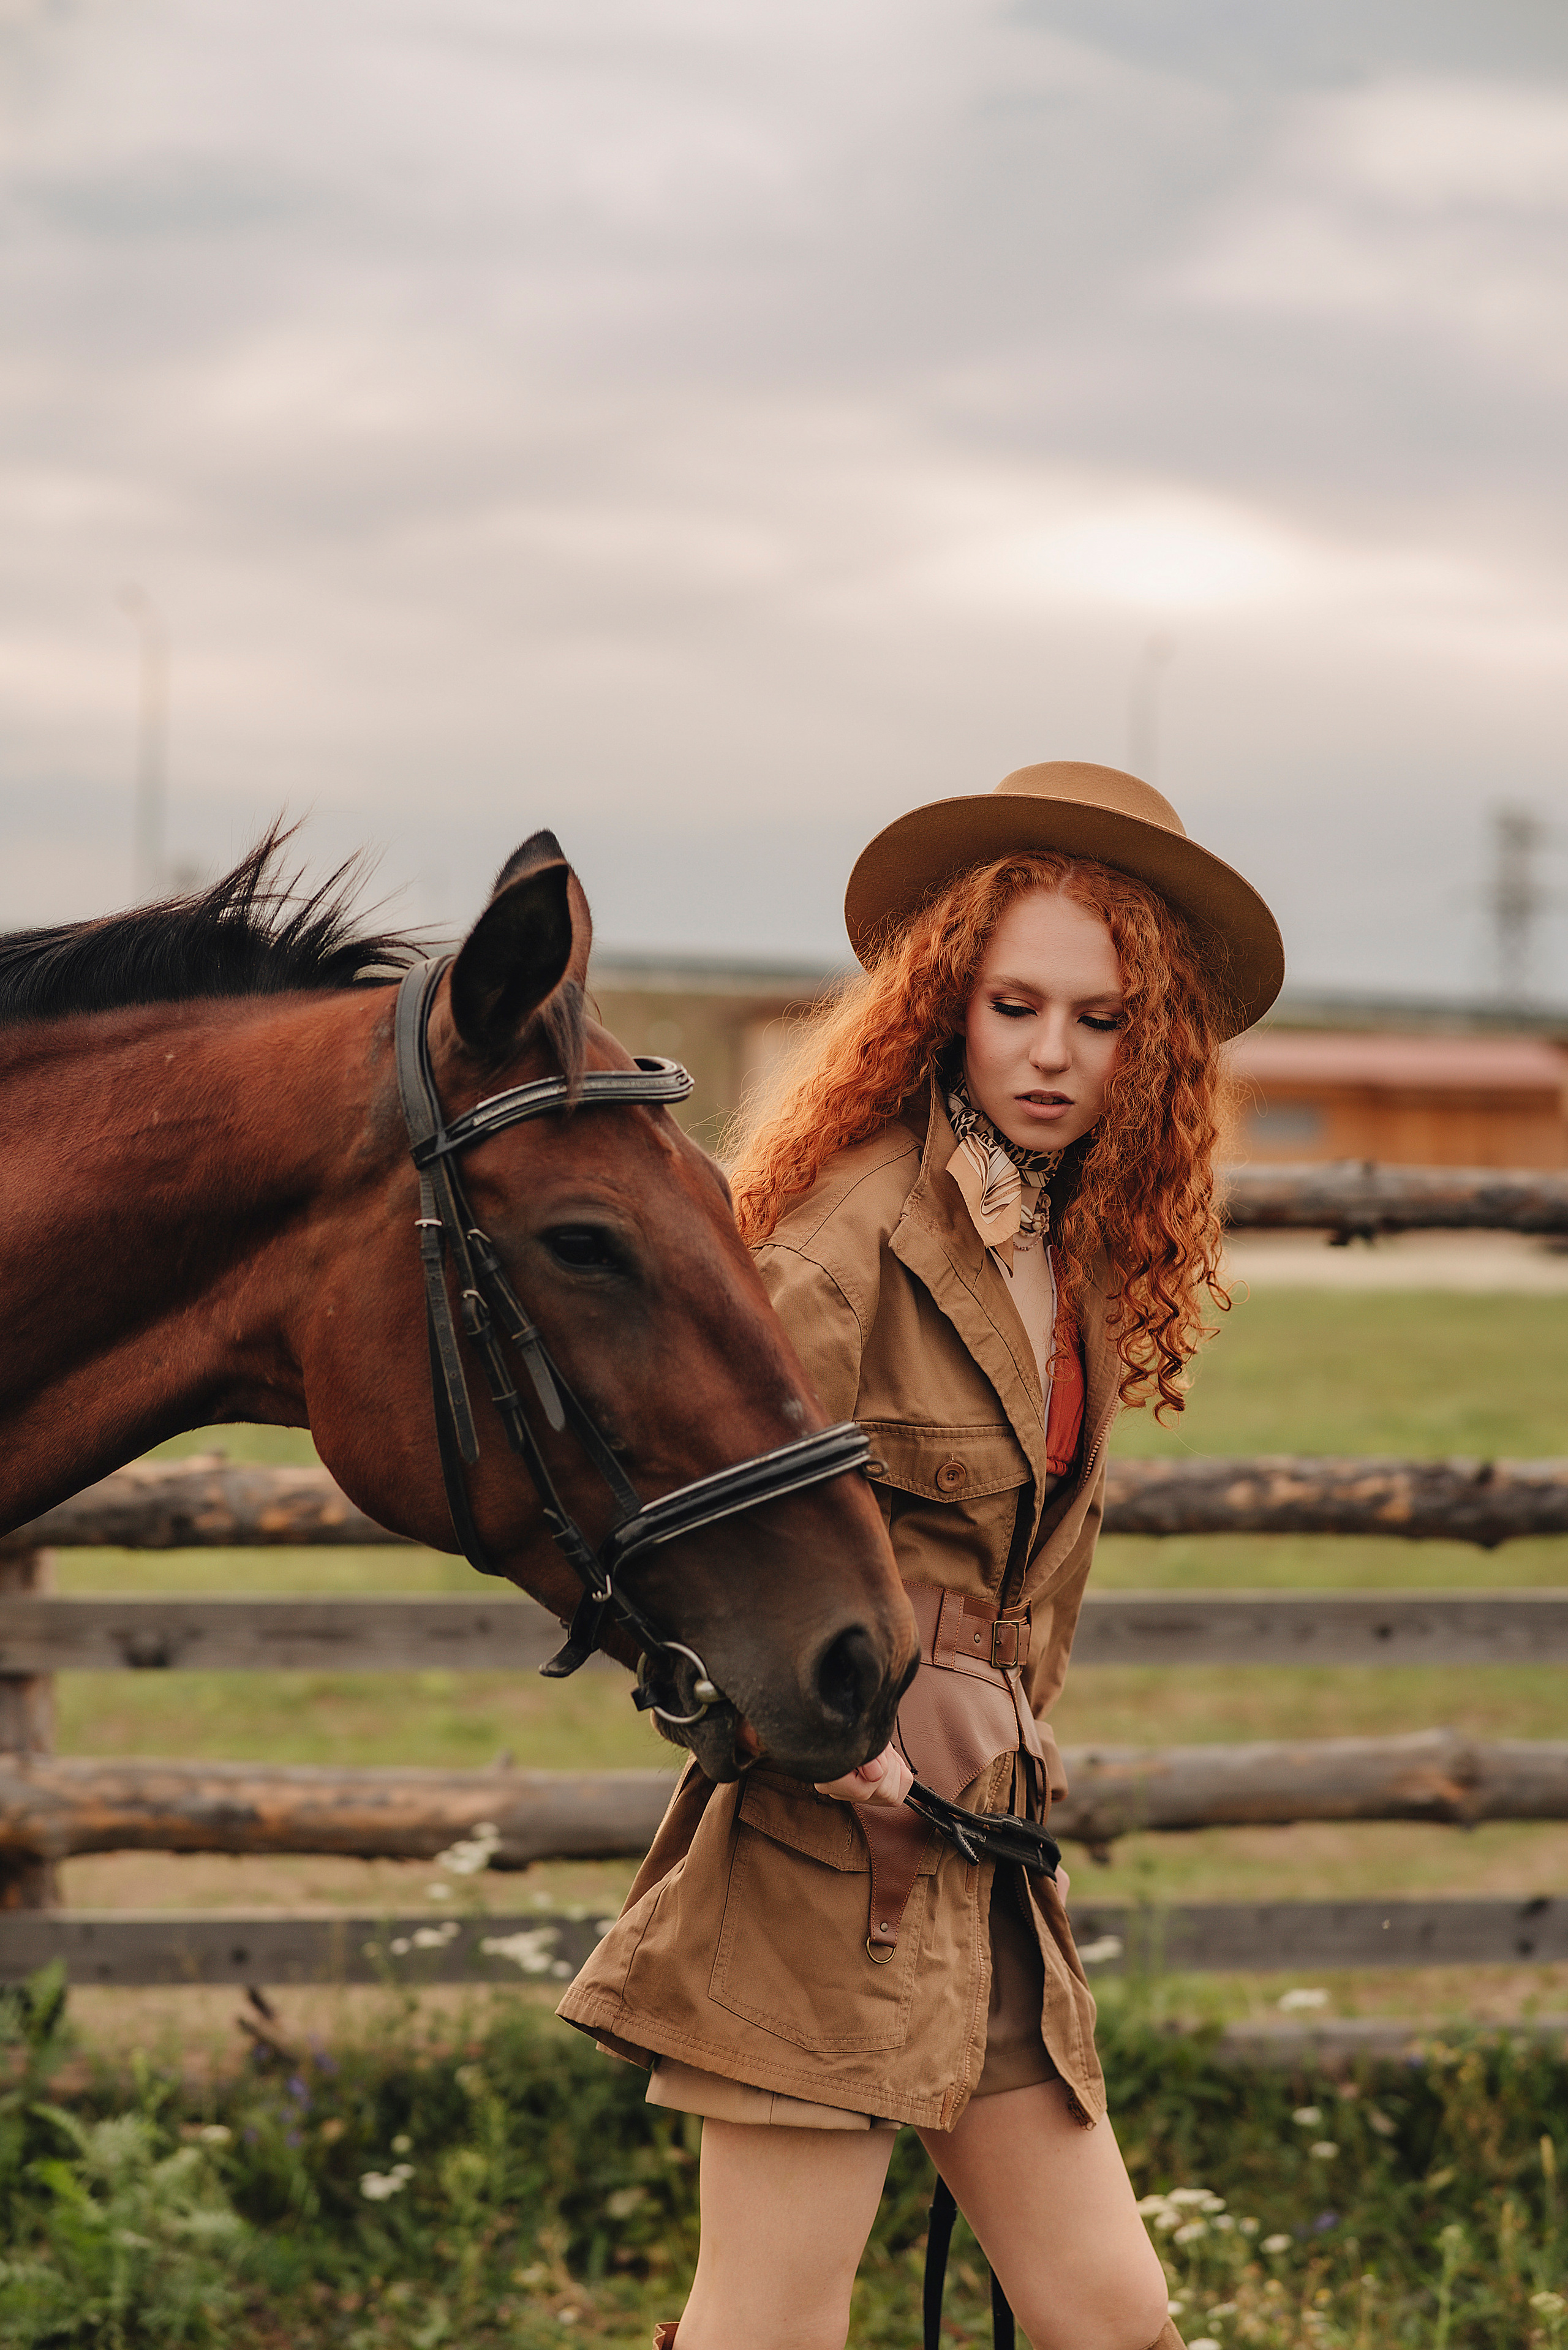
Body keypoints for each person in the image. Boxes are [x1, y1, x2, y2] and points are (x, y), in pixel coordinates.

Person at [559, 761, 1284, 2350]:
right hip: (832, 1858)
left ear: (1148, 1041)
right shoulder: (841, 1239)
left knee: (1114, 2320)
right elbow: (693, 1555)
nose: (1052, 1054)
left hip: (990, 1862)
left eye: (1099, 1020)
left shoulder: (1068, 1245)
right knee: (769, 2329)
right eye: (1018, 1003)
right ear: (950, 999)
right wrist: (840, 1746)